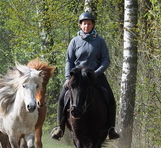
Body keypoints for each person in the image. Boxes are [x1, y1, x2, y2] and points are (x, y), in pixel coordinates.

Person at [50, 11, 120, 141]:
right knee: (61, 98)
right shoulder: (74, 41)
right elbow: (69, 60)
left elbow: (106, 60)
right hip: (77, 78)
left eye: (89, 24)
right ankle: (60, 128)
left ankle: (111, 129)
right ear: (80, 25)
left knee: (110, 98)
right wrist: (67, 77)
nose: (86, 26)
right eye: (84, 24)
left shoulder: (100, 41)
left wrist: (97, 73)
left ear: (93, 25)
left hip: (95, 76)